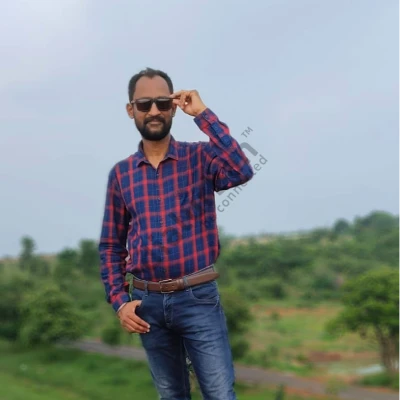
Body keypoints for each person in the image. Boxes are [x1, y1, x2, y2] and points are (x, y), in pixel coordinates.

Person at [98, 67, 254, 400]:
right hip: (147, 303)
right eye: (144, 104)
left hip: (198, 297)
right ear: (131, 110)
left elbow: (241, 170)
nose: (153, 111)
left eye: (161, 102)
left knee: (219, 394)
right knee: (171, 396)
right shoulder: (122, 174)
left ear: (173, 107)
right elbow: (111, 246)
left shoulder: (200, 157)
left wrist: (202, 114)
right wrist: (120, 302)